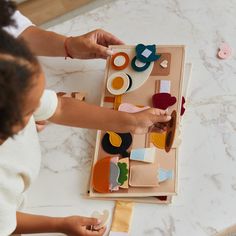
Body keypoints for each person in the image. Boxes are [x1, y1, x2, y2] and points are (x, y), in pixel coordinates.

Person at [0, 1, 171, 235]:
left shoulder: (13, 90)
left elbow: (59, 108)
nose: (42, 105)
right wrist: (59, 225)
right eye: (31, 109)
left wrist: (131, 122)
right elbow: (7, 224)